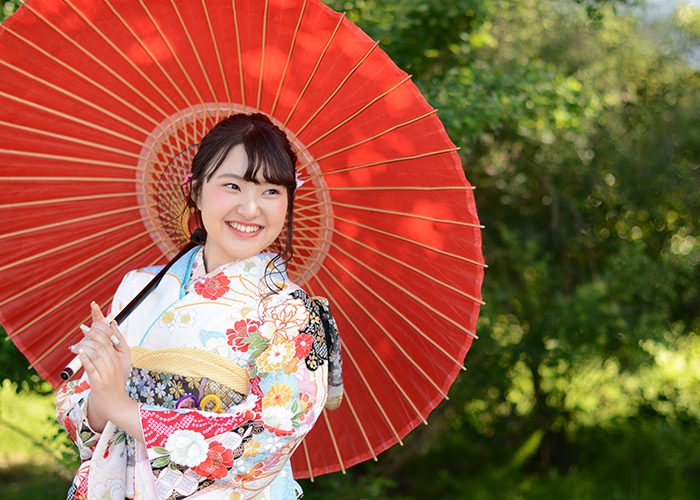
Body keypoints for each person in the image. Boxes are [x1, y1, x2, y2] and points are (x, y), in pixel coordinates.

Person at [55, 113, 342, 500]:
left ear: (288, 203)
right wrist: (103, 394)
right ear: (195, 190)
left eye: (271, 191)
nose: (251, 209)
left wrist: (125, 410)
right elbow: (82, 413)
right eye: (232, 185)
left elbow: (267, 439)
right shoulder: (139, 288)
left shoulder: (291, 314)